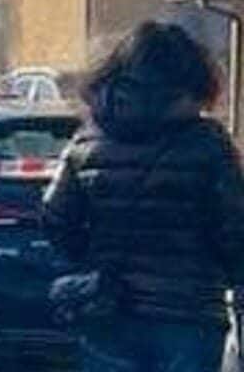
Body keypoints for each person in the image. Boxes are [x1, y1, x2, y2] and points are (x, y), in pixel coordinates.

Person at [43, 21, 244, 371]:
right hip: (190, 313)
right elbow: (234, 227)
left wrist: (91, 261)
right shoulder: (207, 143)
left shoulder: (88, 142)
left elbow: (56, 219)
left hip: (109, 308)